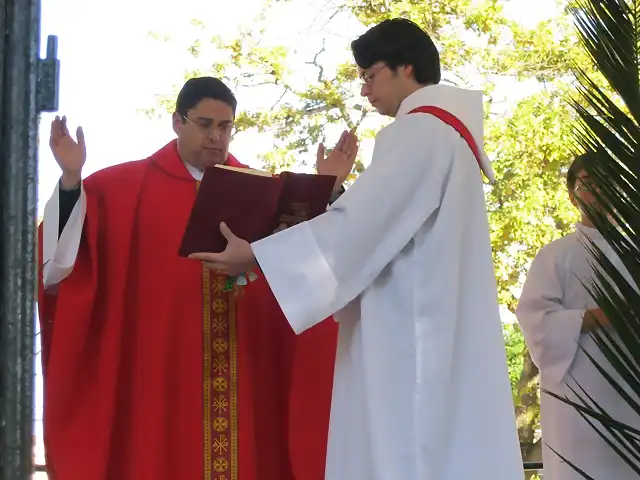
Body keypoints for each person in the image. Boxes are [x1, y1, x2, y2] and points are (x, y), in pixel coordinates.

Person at [190, 19, 523, 479]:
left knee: (401, 454)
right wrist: (333, 194)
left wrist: (257, 255)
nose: (364, 91)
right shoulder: (450, 136)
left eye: (369, 75)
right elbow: (387, 226)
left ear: (406, 67)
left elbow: (359, 231)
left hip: (408, 339)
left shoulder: (420, 132)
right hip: (431, 325)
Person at [37, 76, 357, 480]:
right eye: (205, 124)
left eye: (225, 127)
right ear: (177, 122)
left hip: (248, 370)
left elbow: (321, 266)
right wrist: (70, 181)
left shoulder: (267, 191)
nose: (216, 137)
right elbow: (62, 264)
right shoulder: (120, 189)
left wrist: (327, 191)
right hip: (159, 372)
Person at [516, 153, 640, 479]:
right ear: (572, 195)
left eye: (608, 183)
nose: (599, 191)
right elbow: (537, 322)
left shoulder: (635, 254)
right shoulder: (554, 257)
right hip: (577, 398)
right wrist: (613, 313)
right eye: (589, 184)